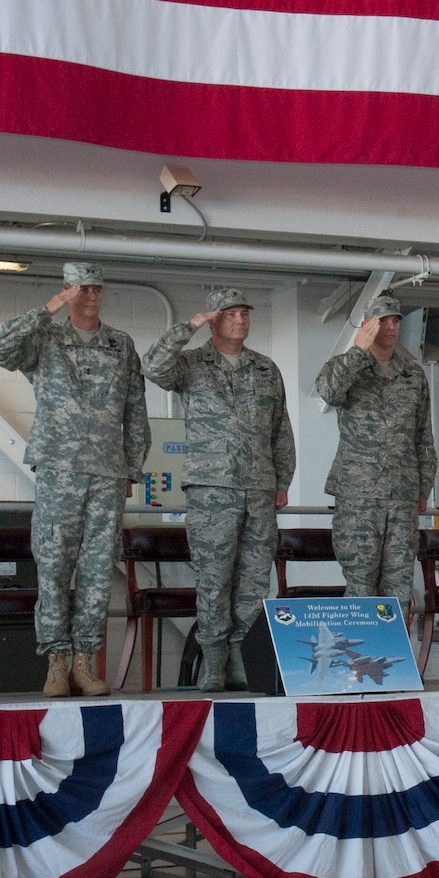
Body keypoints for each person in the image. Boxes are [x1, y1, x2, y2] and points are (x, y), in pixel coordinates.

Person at [0, 263, 149, 697]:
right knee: (54, 565)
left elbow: (135, 409)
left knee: (97, 571)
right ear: (67, 291)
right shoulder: (45, 338)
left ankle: (84, 662)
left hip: (108, 471)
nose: (91, 296)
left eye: (97, 288)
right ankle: (55, 662)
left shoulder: (120, 344)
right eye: (81, 289)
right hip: (59, 468)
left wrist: (133, 466)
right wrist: (46, 309)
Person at [144, 287, 296, 692]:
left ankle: (244, 660)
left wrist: (283, 481)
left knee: (253, 581)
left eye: (245, 313)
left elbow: (281, 430)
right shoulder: (192, 364)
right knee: (213, 580)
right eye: (231, 314)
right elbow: (153, 366)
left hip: (259, 490)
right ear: (214, 319)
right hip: (212, 489)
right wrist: (187, 327)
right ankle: (213, 662)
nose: (241, 320)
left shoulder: (266, 369)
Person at [314, 294, 436, 601]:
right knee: (360, 583)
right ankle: (362, 650)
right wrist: (358, 351)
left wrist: (423, 488)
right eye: (383, 321)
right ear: (368, 325)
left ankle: (393, 650)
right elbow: (329, 392)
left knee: (398, 585)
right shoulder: (344, 367)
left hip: (402, 494)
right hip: (359, 494)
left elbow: (423, 436)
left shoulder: (413, 375)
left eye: (396, 320)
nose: (391, 327)